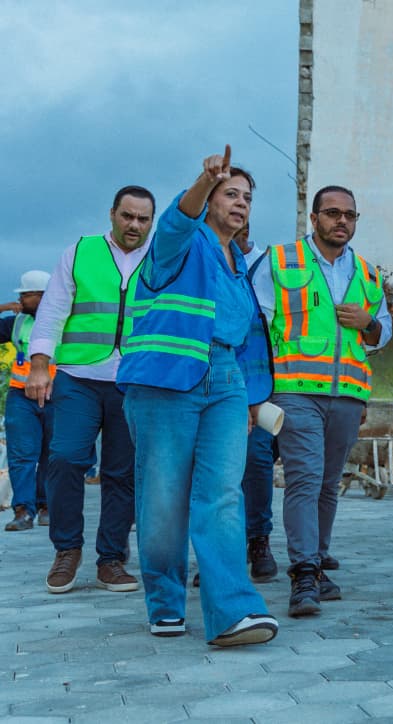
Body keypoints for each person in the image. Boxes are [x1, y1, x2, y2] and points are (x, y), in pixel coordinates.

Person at [118, 146, 278, 646]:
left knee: (223, 496)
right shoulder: (181, 242)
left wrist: (253, 399)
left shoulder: (240, 264)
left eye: (247, 196)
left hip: (226, 384)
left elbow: (245, 335)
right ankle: (166, 604)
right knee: (164, 499)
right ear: (209, 199)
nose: (241, 202)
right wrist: (204, 180)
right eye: (230, 193)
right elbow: (175, 221)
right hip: (166, 381)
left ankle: (232, 612)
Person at [252, 184, 392, 617]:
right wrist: (258, 392)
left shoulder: (368, 274)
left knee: (329, 483)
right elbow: (257, 325)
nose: (341, 221)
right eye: (332, 213)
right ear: (313, 219)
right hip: (295, 390)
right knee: (305, 479)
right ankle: (305, 573)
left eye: (349, 214)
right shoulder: (279, 261)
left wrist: (368, 322)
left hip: (348, 395)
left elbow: (382, 334)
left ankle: (318, 558)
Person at [26, 185, 155, 595]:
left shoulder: (160, 259)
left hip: (133, 381)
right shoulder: (80, 252)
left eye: (143, 219)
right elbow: (52, 311)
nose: (134, 225)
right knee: (65, 458)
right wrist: (40, 366)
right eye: (127, 216)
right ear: (112, 214)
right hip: (78, 376)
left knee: (122, 472)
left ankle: (111, 559)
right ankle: (66, 550)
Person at [233, 223, 278, 582]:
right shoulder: (203, 260)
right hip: (214, 376)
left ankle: (259, 539)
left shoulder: (271, 265)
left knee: (258, 459)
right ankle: (224, 549)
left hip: (261, 378)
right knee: (217, 466)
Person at [1, 271, 55, 530]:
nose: (21, 299)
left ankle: (47, 507)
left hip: (56, 397)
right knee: (21, 454)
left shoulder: (66, 321)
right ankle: (23, 511)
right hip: (21, 396)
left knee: (52, 455)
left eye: (26, 294)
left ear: (43, 296)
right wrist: (3, 308)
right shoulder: (17, 322)